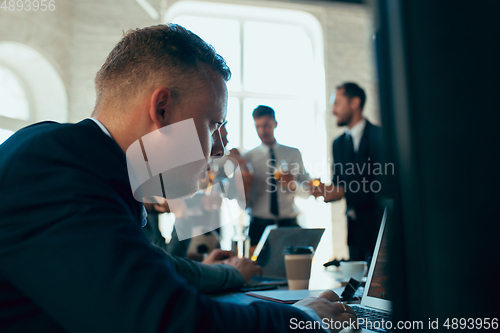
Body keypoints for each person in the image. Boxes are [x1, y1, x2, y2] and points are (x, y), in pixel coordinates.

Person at [0, 24, 356, 332]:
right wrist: (306, 320)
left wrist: (228, 273)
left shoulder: (74, 156)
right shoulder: (53, 170)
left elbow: (156, 265)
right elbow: (173, 324)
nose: (219, 149)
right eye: (213, 125)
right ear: (162, 110)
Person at [311, 82, 384, 262]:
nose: (333, 111)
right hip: (353, 231)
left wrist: (342, 191)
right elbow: (339, 184)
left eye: (337, 104)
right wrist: (325, 191)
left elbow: (382, 186)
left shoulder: (380, 137)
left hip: (381, 230)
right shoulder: (338, 144)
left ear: (355, 103)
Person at [243, 105, 310, 246]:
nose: (262, 131)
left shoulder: (293, 154)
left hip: (289, 223)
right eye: (258, 126)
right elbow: (242, 201)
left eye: (266, 125)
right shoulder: (248, 158)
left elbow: (307, 192)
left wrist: (292, 183)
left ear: (275, 124)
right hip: (258, 225)